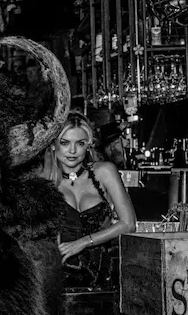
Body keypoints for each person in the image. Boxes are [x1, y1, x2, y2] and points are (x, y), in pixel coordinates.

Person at [40, 112, 137, 289]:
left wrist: (83, 242)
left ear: (88, 145)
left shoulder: (104, 172)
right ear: (53, 145)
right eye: (65, 143)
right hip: (58, 279)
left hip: (103, 277)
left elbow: (129, 224)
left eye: (80, 143)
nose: (72, 150)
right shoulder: (43, 180)